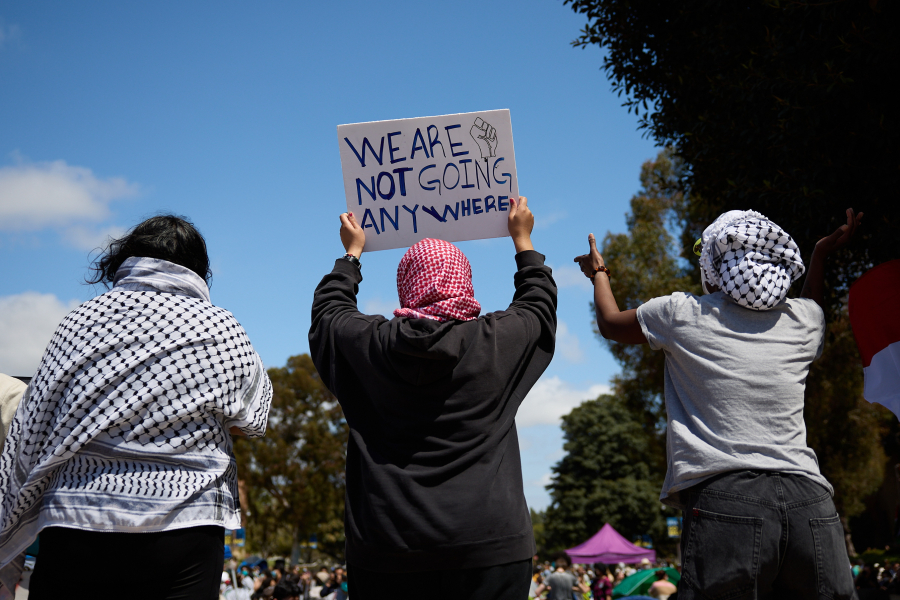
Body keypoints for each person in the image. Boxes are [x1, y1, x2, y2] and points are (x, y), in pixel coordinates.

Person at [573, 208, 862, 598]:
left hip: (727, 496)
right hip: (811, 500)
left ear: (714, 266)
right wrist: (820, 256)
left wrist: (599, 273)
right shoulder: (805, 321)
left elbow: (610, 323)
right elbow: (812, 304)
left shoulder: (682, 314)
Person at [0, 215, 273, 600]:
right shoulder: (222, 328)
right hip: (186, 526)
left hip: (78, 522)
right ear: (199, 268)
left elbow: (31, 426)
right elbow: (254, 420)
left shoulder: (79, 322)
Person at [309, 197, 556, 600]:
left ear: (406, 285)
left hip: (387, 552)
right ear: (466, 280)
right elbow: (537, 305)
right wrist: (523, 241)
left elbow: (329, 314)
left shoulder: (369, 346)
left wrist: (351, 255)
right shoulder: (494, 343)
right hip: (491, 550)